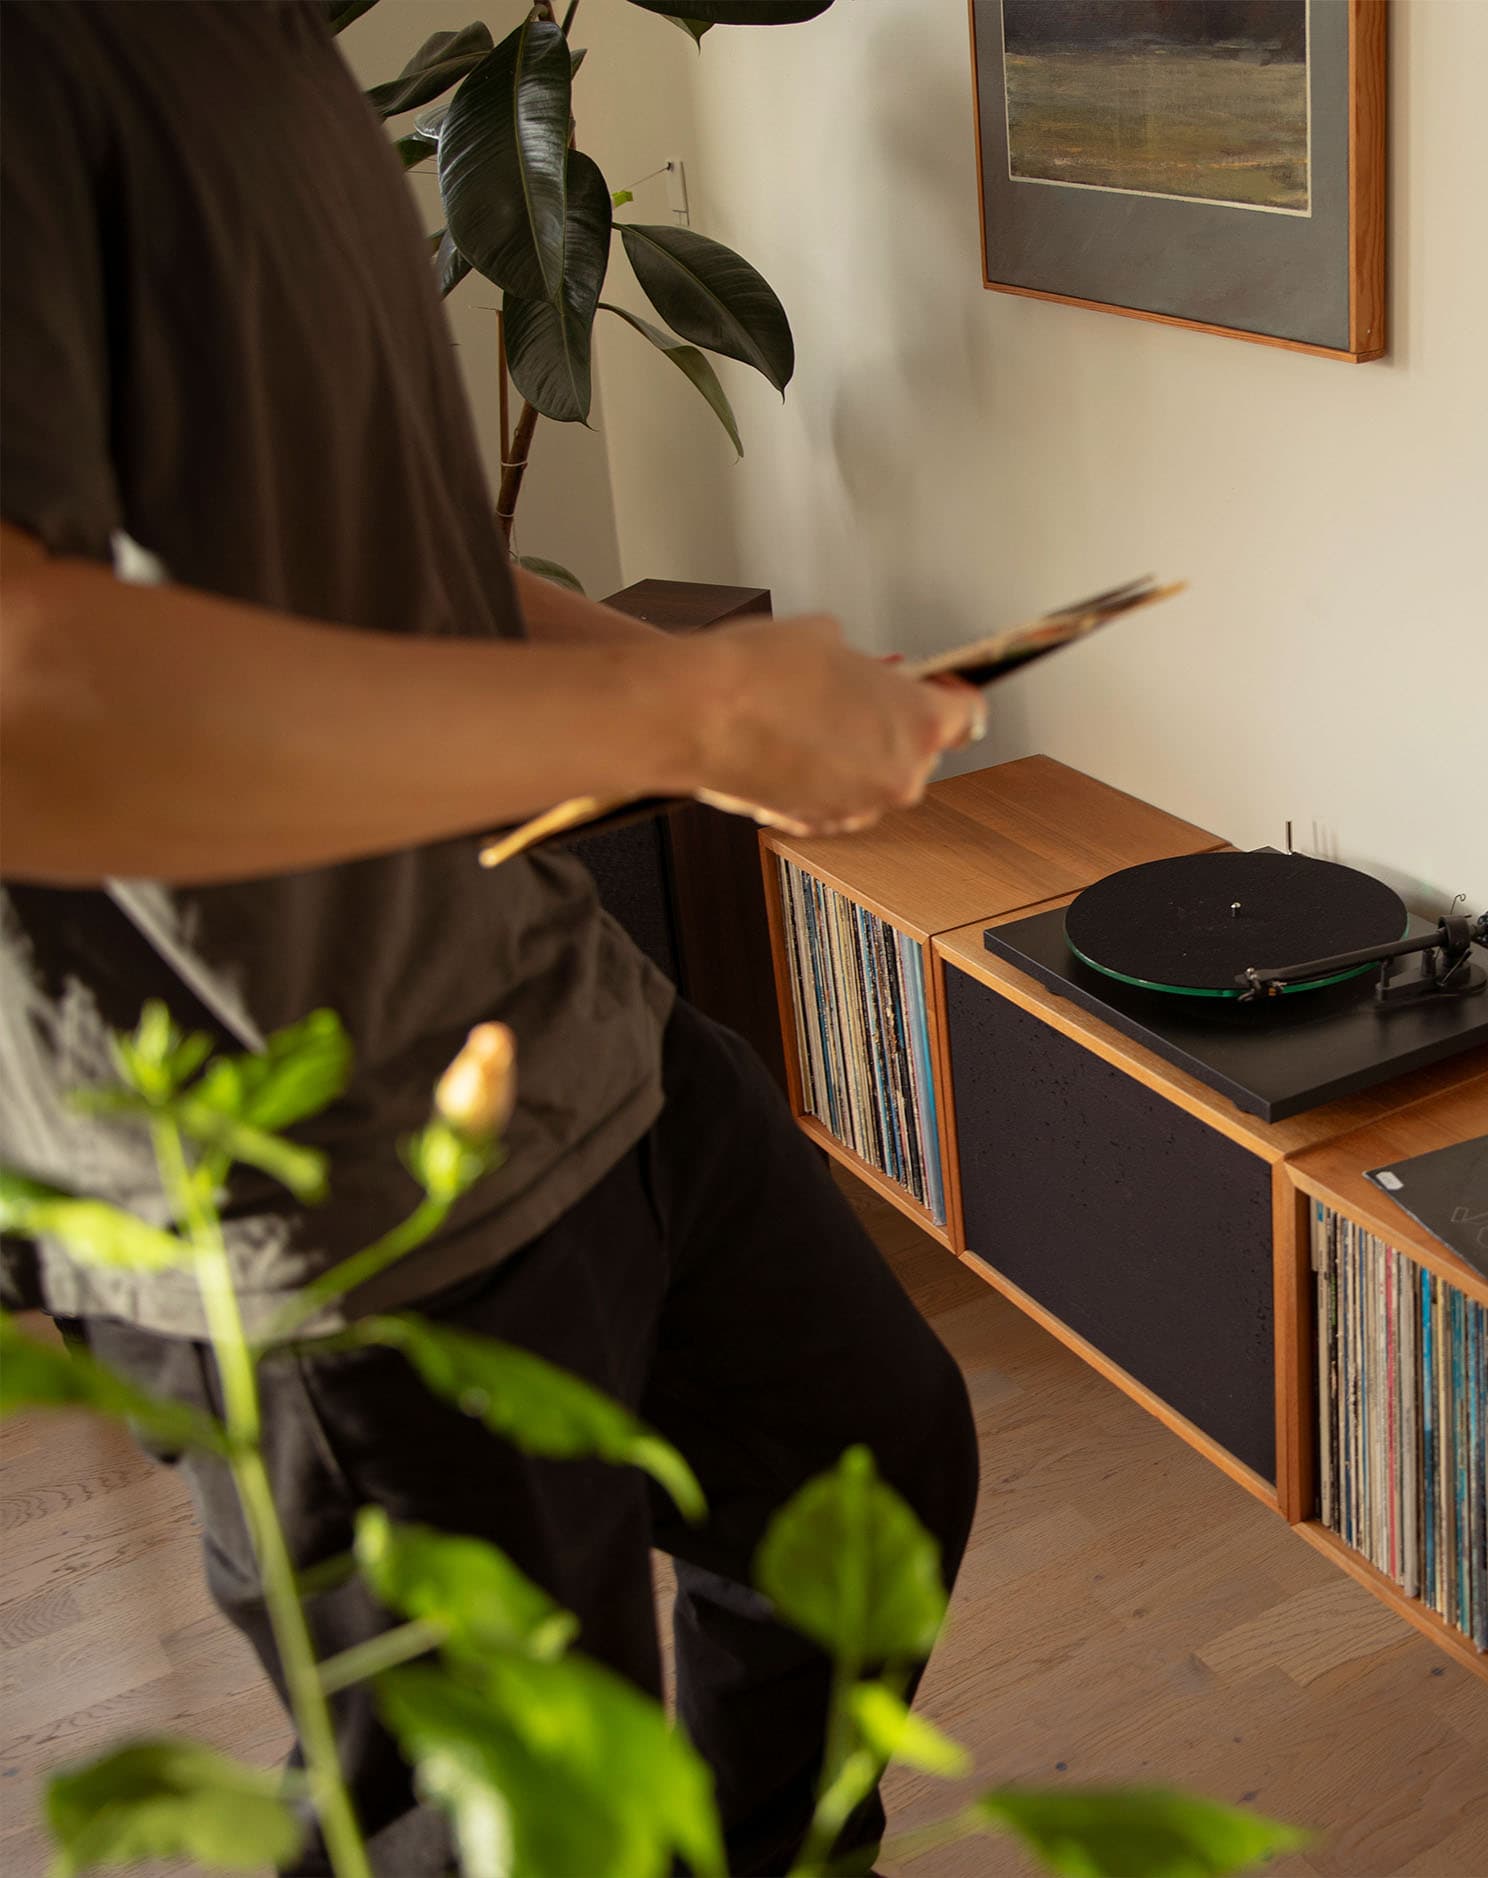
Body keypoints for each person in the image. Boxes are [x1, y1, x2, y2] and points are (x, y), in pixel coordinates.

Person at [0, 5, 983, 1869]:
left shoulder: (277, 50)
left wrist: (717, 701)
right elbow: (24, 707)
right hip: (319, 1172)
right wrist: (688, 728)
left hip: (566, 1025)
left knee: (866, 1470)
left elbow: (385, 570)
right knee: (511, 1824)